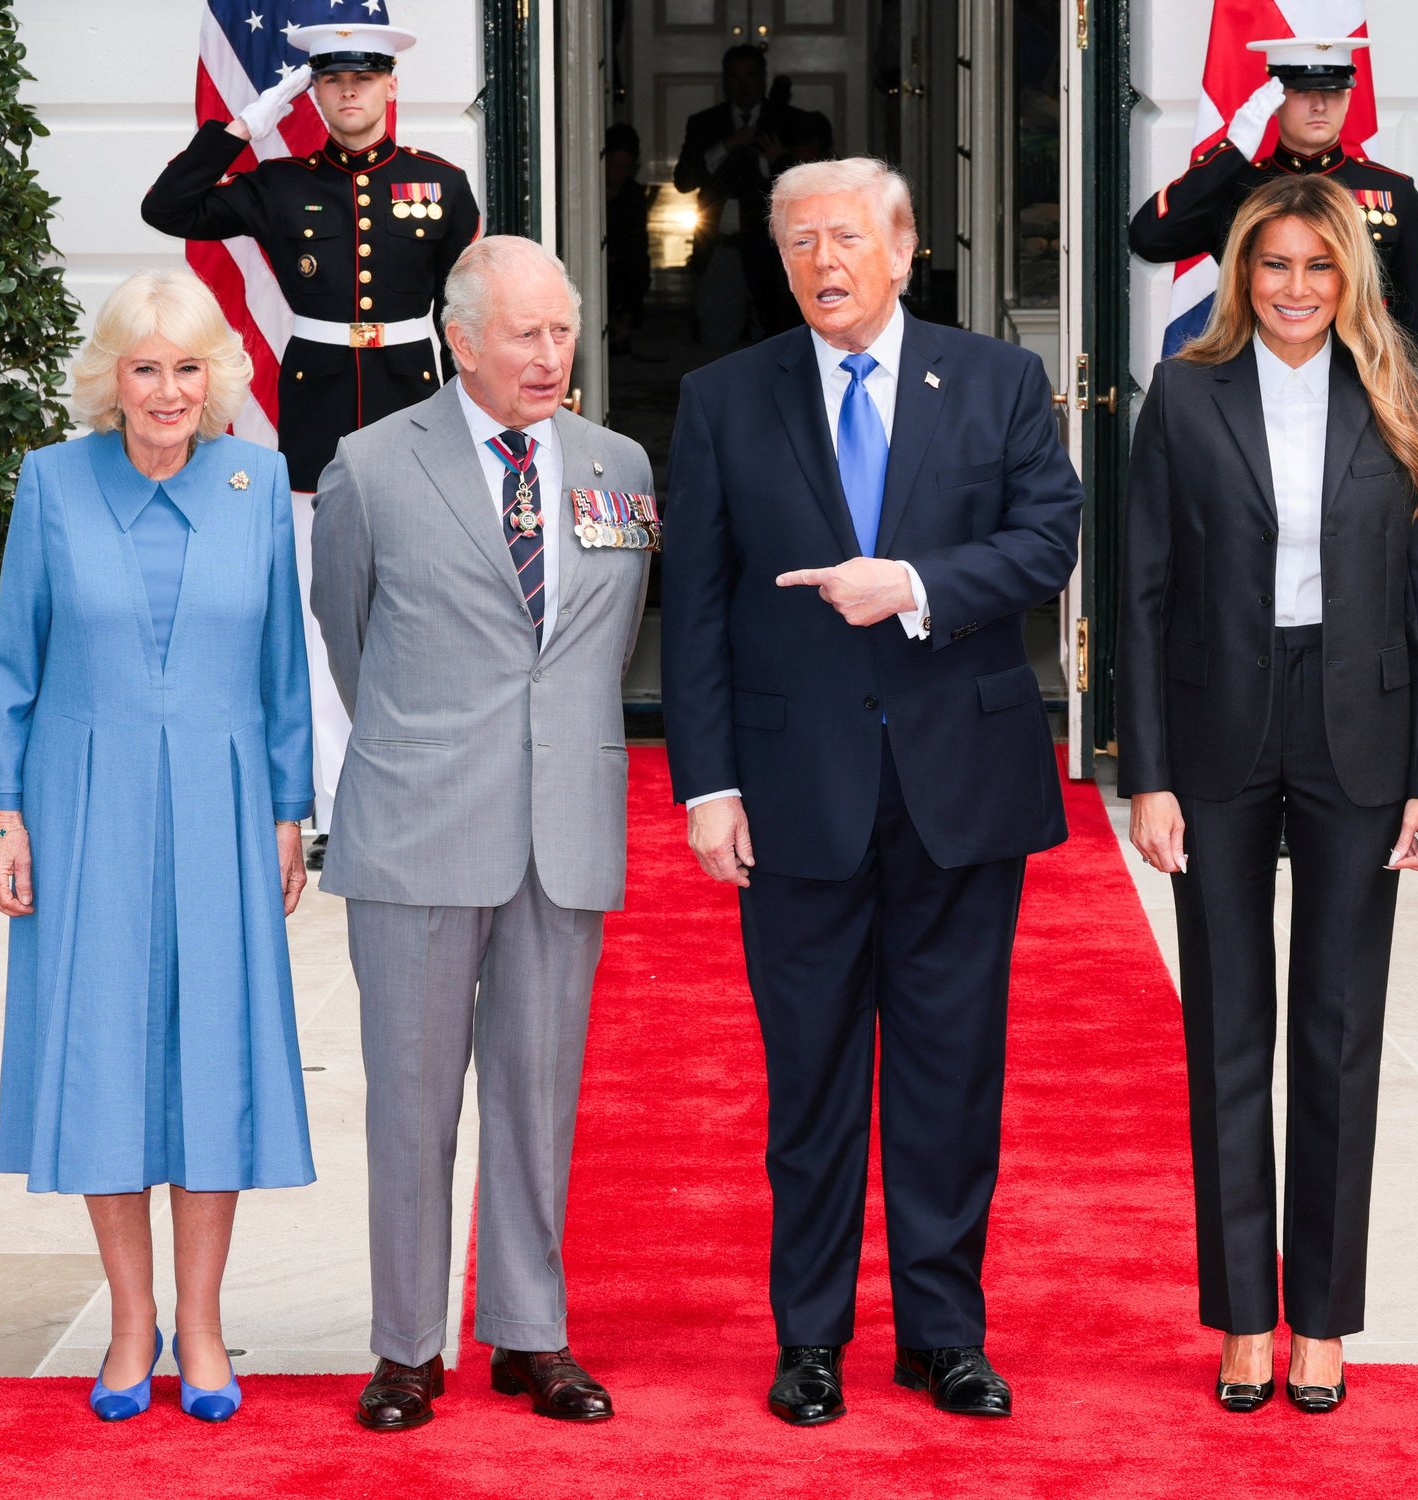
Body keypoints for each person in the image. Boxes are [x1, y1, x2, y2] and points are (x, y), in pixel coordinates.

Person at [661, 158, 1084, 1427]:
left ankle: (943, 1333)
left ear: (903, 249)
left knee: (951, 1075)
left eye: (844, 237)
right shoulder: (723, 398)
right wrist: (706, 787)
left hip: (959, 782)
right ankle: (810, 1341)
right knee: (811, 1082)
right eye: (797, 243)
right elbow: (691, 613)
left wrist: (912, 584)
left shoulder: (998, 380)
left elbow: (1048, 539)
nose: (820, 263)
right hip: (792, 794)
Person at [1116, 174, 1418, 1415]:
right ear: (1236, 273)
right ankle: (1243, 1319)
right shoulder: (1184, 397)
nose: (1295, 289)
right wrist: (1143, 773)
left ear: (1348, 279)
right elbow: (1143, 595)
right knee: (1225, 1033)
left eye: (1318, 268)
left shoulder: (1392, 391)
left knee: (1332, 1030)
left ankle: (1319, 1318)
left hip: (1356, 739)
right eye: (1272, 265)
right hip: (1216, 732)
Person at [309, 236, 654, 1433]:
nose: (549, 355)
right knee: (410, 1099)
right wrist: (425, 748)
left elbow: (600, 646)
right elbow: (346, 637)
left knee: (537, 1092)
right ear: (458, 338)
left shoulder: (617, 465)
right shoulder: (367, 467)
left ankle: (530, 1333)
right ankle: (406, 1346)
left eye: (562, 331)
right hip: (416, 825)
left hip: (563, 829)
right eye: (524, 333)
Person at [0, 269, 316, 1425]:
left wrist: (288, 813)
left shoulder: (256, 477)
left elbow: (283, 670)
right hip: (84, 807)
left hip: (226, 809)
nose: (168, 391)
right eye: (144, 367)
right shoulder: (50, 484)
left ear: (215, 378)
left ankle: (206, 1327)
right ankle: (132, 1325)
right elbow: (12, 660)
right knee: (108, 1058)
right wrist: (4, 815)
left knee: (211, 1058)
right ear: (108, 380)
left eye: (187, 368)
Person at [142, 0, 482, 869]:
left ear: (389, 84)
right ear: (316, 93)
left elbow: (469, 314)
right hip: (318, 420)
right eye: (332, 80)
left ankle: (424, 788)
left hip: (415, 411)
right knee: (319, 611)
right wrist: (245, 122)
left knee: (426, 609)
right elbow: (168, 206)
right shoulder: (280, 183)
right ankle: (335, 803)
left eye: (363, 77)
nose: (349, 93)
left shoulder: (440, 183)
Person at [1128, 37, 1418, 379]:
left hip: (1359, 383)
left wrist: (1412, 402)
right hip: (1252, 384)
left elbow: (1414, 317)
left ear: (1349, 96)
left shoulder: (1393, 192)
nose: (1319, 104)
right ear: (1276, 99)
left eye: (1333, 91)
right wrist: (1231, 152)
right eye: (1303, 92)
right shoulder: (1237, 188)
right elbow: (1149, 239)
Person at [673, 45, 835, 349]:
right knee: (717, 336)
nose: (743, 85)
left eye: (750, 76)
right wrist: (727, 145)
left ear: (763, 78)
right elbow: (684, 181)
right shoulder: (705, 123)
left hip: (773, 248)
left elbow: (814, 178)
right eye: (735, 76)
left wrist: (777, 159)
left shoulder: (789, 120)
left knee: (780, 336)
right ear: (725, 80)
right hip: (722, 244)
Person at [603, 123, 652, 354]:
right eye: (613, 165)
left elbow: (636, 240)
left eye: (625, 167)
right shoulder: (587, 190)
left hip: (623, 261)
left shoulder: (633, 196)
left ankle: (624, 324)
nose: (617, 173)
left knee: (636, 269)